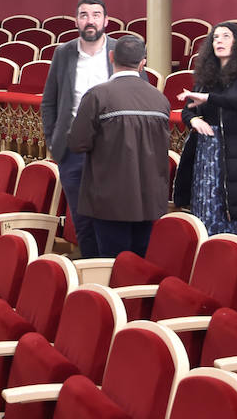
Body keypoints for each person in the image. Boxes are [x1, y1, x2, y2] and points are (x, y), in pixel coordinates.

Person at [66, 36, 173, 258]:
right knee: (137, 264)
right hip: (150, 198)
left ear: (111, 57)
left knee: (110, 265)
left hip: (110, 198)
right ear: (143, 62)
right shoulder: (160, 99)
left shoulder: (98, 95)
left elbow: (77, 143)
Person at [174, 23, 237, 239]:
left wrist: (209, 98)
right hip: (208, 156)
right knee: (209, 210)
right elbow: (187, 109)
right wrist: (193, 120)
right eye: (215, 37)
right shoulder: (206, 78)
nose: (218, 41)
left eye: (225, 36)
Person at [41, 0, 117, 258]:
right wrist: (52, 141)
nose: (90, 20)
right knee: (81, 219)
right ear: (76, 21)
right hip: (72, 149)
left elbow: (136, 93)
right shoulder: (63, 53)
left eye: (96, 15)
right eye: (84, 15)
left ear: (106, 20)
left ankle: (110, 274)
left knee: (109, 216)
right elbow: (49, 101)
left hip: (112, 150)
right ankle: (90, 272)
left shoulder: (120, 51)